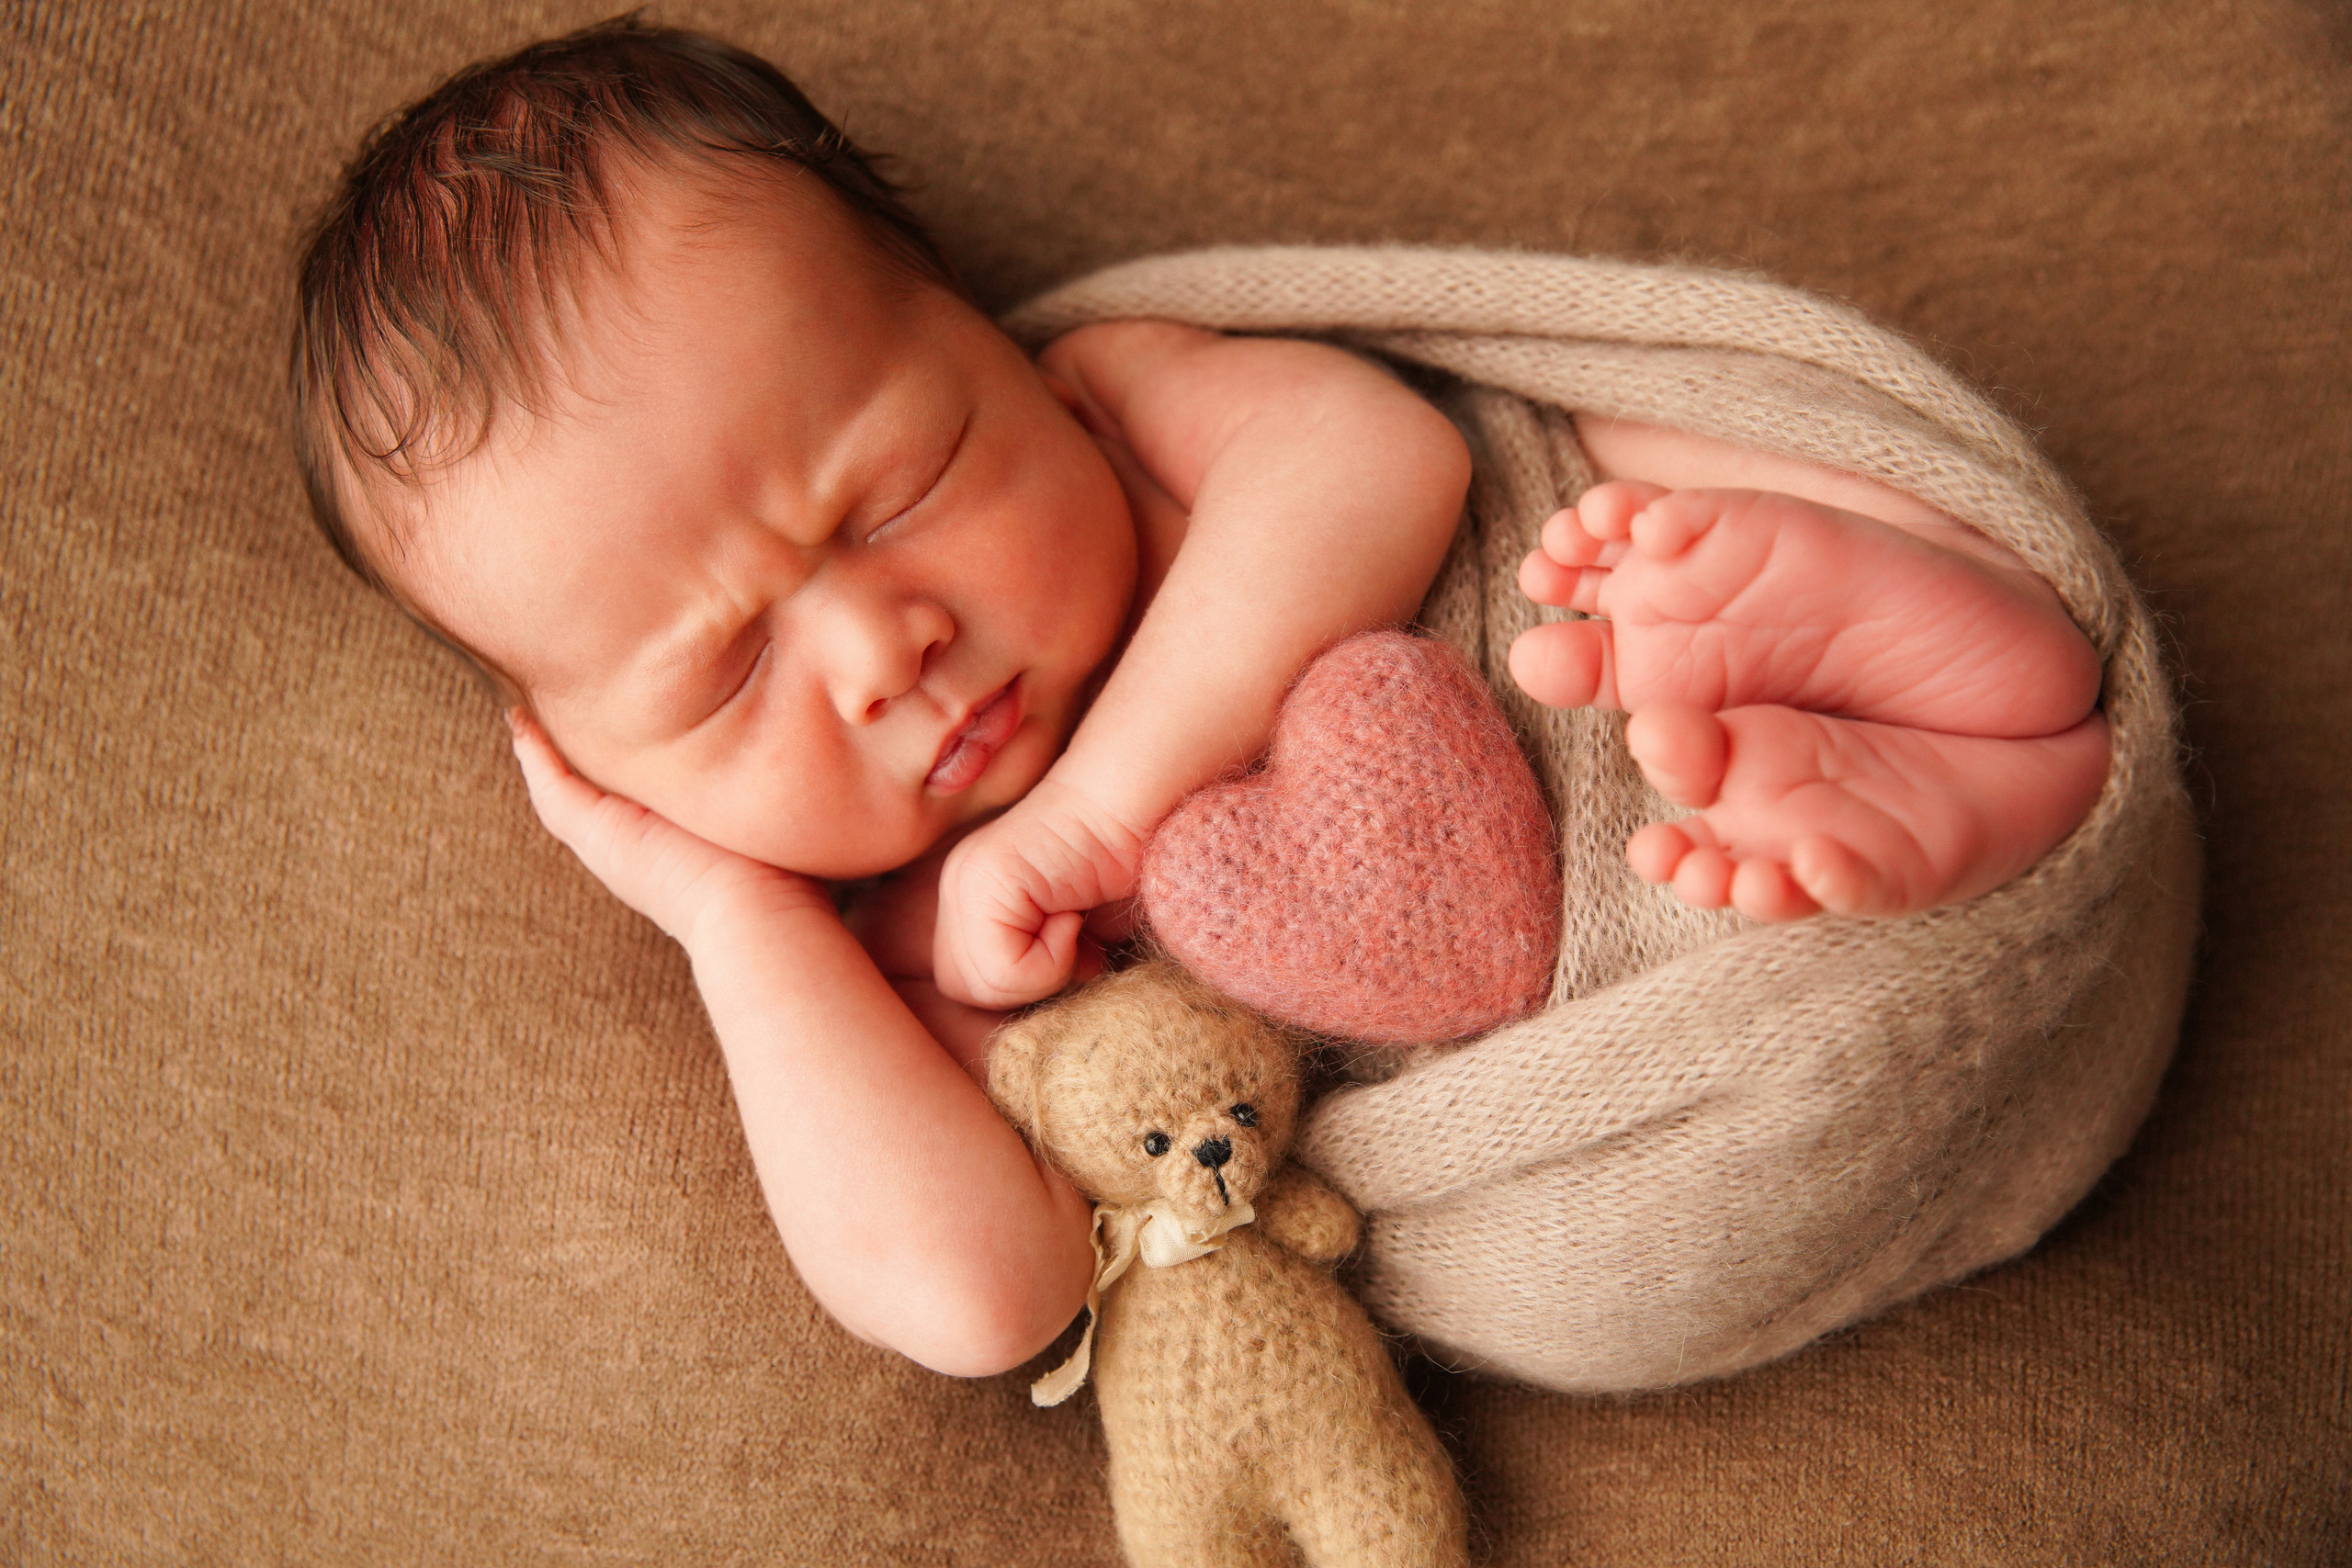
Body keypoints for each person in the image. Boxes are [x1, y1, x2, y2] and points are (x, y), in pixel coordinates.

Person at [289, 17, 2109, 1376]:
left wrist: (1096, 812)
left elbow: (1374, 456)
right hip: (1679, 1054)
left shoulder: (1122, 399)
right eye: (726, 669)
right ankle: (1947, 791)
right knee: (1568, 1286)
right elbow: (977, 1295)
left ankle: (1923, 648)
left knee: (1646, 514)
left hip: (1591, 655)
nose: (875, 648)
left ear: (983, 343)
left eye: (893, 487)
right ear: (599, 766)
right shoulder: (890, 949)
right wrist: (733, 918)